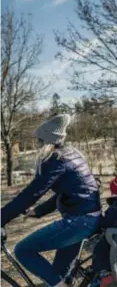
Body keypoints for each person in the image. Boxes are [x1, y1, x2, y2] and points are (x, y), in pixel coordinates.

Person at [0, 114, 102, 287]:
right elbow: (68, 192)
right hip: (89, 217)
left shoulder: (55, 159)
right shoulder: (71, 153)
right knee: (57, 274)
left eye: (39, 141)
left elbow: (32, 193)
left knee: (23, 251)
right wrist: (38, 212)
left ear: (46, 141)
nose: (37, 144)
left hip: (79, 222)